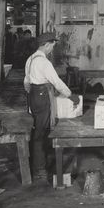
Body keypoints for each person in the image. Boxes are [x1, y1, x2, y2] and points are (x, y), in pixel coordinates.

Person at [24, 32, 79, 180]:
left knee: (38, 128)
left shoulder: (30, 59)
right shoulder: (43, 62)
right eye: (52, 46)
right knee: (41, 132)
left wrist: (32, 97)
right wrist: (70, 95)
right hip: (42, 96)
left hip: (34, 95)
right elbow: (57, 82)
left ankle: (38, 162)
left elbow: (26, 82)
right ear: (46, 45)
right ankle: (39, 169)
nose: (52, 49)